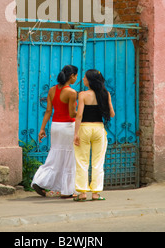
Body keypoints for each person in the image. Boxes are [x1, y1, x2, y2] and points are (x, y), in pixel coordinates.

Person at [32, 65, 78, 198]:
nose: (76, 78)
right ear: (72, 76)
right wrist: (83, 111)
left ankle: (40, 181)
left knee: (55, 155)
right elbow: (72, 113)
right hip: (68, 127)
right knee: (69, 157)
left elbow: (48, 111)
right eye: (76, 76)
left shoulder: (52, 90)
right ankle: (67, 190)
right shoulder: (72, 92)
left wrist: (42, 129)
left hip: (55, 126)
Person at [73, 69, 115, 201]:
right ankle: (96, 193)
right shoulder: (105, 94)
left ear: (90, 80)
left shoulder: (83, 95)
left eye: (85, 77)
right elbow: (112, 114)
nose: (83, 79)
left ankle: (82, 193)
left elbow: (79, 115)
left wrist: (76, 133)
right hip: (99, 129)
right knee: (98, 162)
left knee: (82, 161)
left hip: (85, 128)